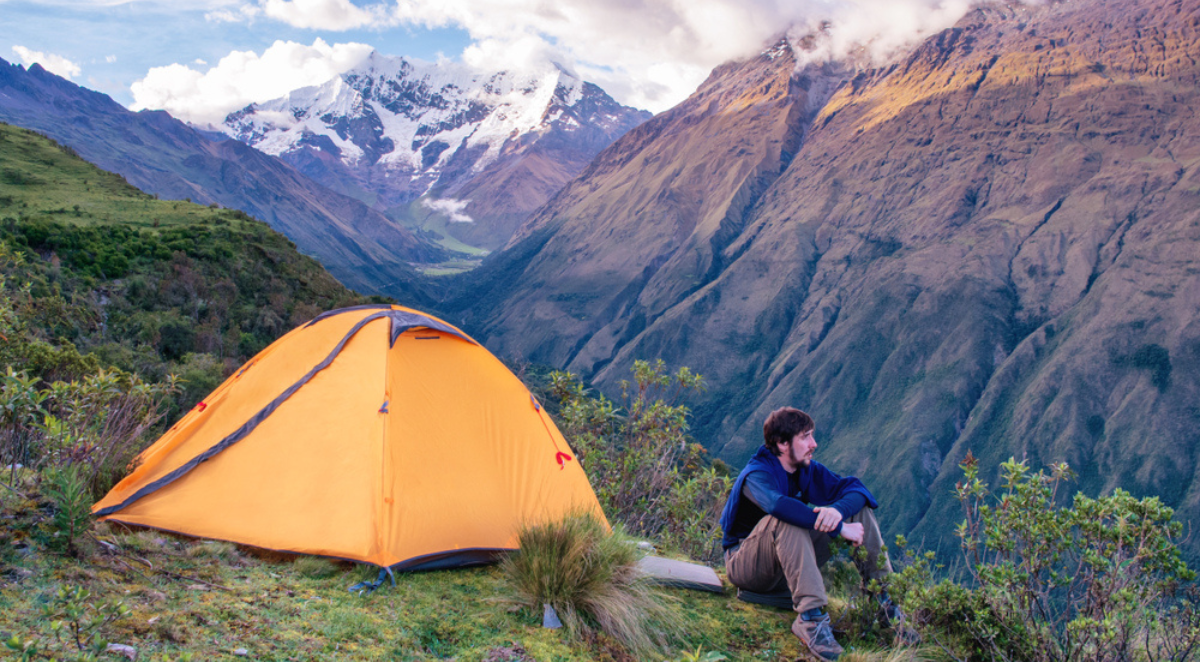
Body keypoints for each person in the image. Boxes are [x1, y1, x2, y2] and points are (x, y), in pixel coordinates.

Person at [718, 407, 909, 661]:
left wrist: (838, 512)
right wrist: (840, 528)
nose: (814, 444)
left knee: (856, 510)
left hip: (783, 564)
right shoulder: (757, 474)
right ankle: (811, 620)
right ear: (782, 443)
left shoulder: (804, 469)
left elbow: (857, 489)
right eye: (806, 436)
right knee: (787, 518)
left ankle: (885, 603)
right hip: (745, 564)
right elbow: (778, 506)